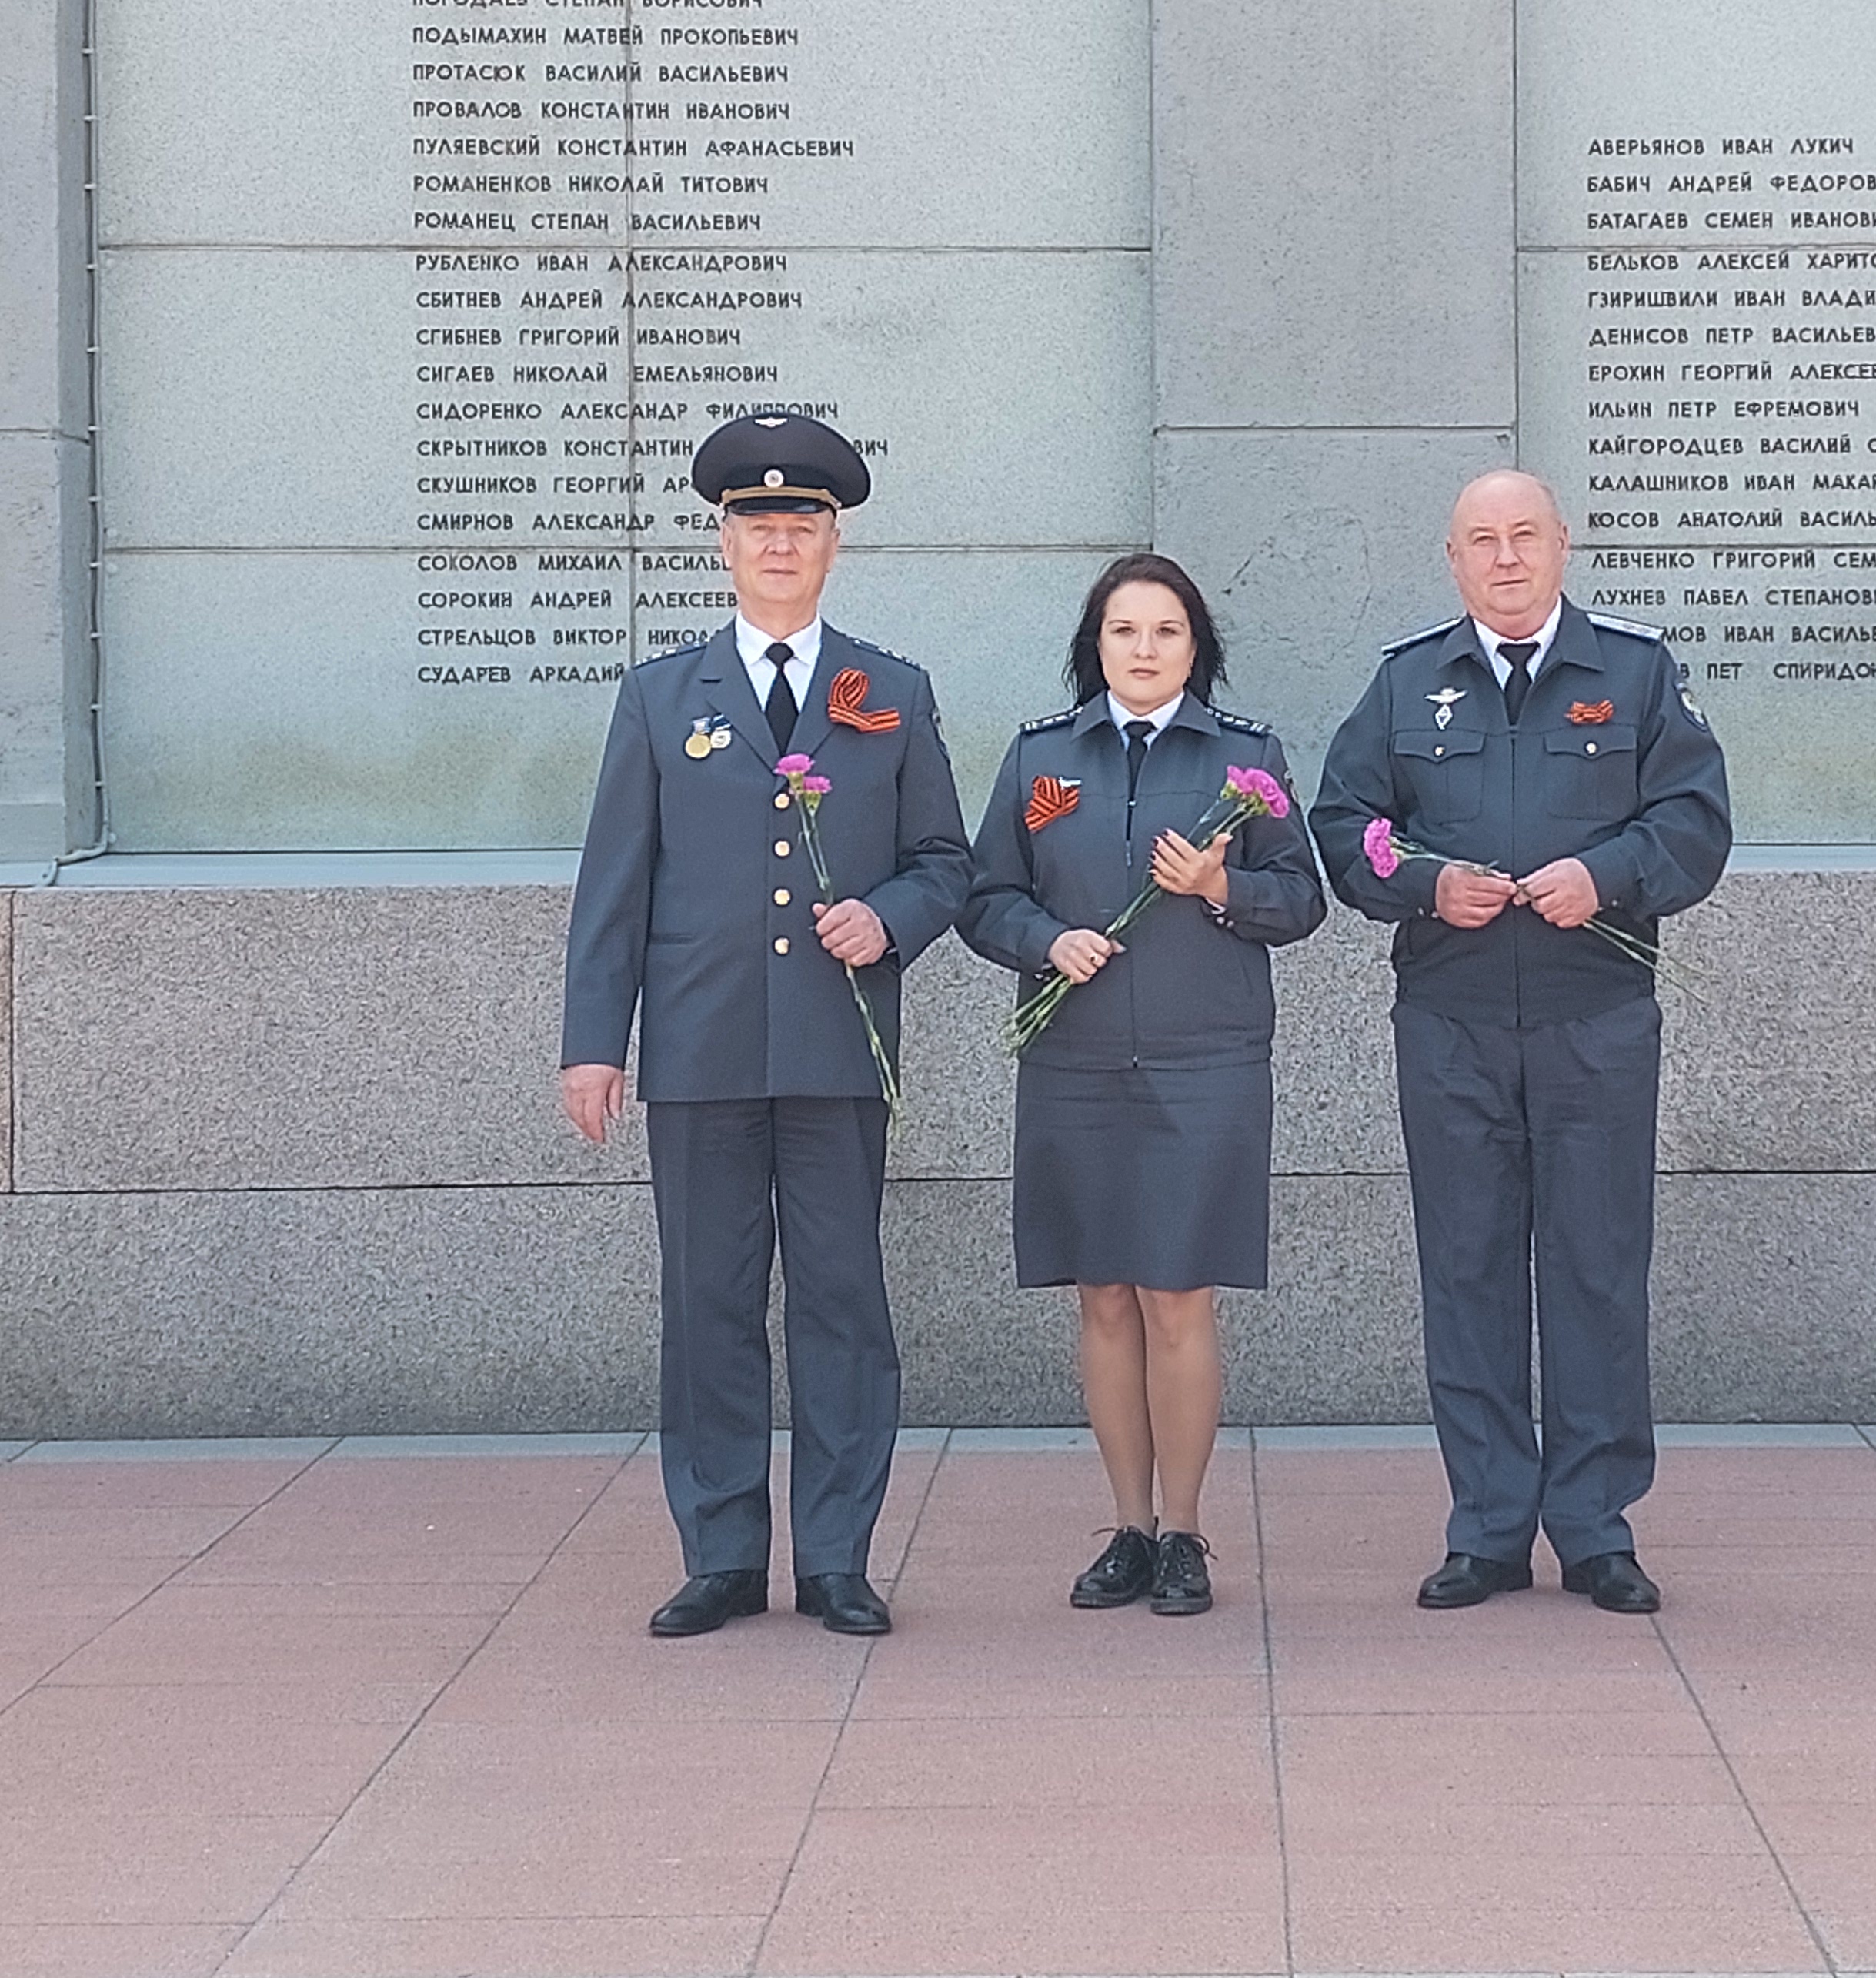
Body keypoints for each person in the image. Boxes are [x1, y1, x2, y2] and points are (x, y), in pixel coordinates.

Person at [559, 410, 972, 1640]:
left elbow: (946, 860)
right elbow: (614, 886)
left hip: (839, 1046)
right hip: (698, 1052)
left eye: (801, 523)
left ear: (834, 541)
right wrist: (595, 1041)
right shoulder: (658, 697)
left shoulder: (889, 695)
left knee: (843, 1304)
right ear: (723, 544)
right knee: (709, 1301)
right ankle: (724, 1550)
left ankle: (837, 1555)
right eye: (757, 524)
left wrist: (887, 918)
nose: (779, 542)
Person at [1311, 470, 1731, 1615]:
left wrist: (1606, 875)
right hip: (1451, 1025)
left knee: (1596, 1270)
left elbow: (1694, 824)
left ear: (1563, 546)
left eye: (1525, 537)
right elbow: (1343, 825)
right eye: (1482, 542)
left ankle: (1595, 1527)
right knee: (1469, 1269)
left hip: (1594, 1019)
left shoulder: (1636, 673)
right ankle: (1490, 1525)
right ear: (1452, 559)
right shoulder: (1407, 681)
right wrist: (1423, 881)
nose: (1505, 559)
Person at [960, 555, 1325, 1616]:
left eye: (1166, 631)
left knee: (1177, 1293)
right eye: (1125, 631)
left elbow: (1302, 899)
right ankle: (1125, 1524)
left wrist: (1221, 886)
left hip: (1202, 1060)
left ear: (1195, 645)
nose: (1146, 649)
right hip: (1075, 1062)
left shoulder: (1245, 759)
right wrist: (1046, 938)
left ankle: (1184, 1532)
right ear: (1097, 644)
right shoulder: (1041, 759)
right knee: (1103, 1296)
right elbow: (986, 898)